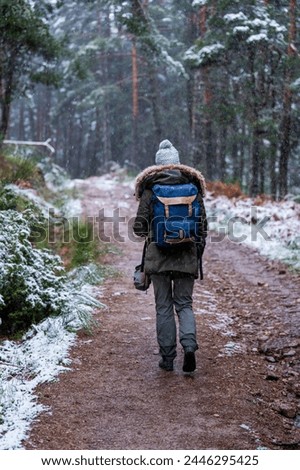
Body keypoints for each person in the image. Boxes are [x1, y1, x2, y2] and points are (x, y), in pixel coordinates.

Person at [133, 139, 207, 373]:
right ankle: (189, 348)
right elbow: (202, 227)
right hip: (186, 255)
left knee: (163, 306)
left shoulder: (151, 188)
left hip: (159, 257)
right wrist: (194, 250)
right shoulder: (192, 186)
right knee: (184, 304)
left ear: (158, 165)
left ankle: (167, 359)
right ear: (178, 163)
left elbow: (139, 228)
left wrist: (155, 231)